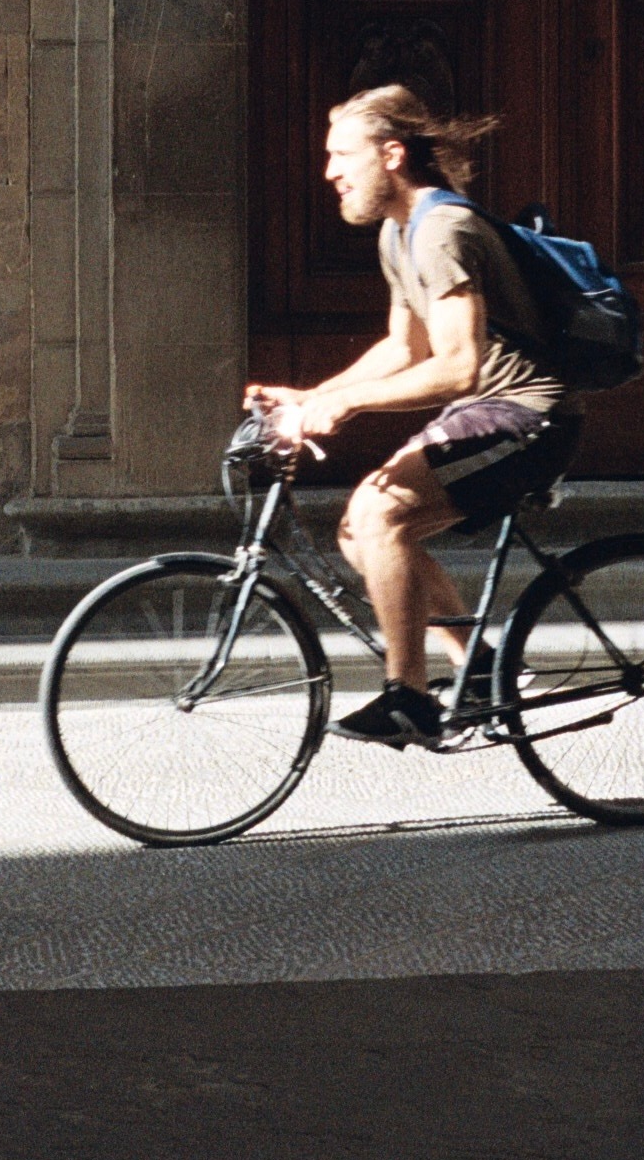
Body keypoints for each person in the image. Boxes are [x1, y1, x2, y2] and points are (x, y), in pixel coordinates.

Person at [244, 86, 579, 747]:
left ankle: (410, 698)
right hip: (491, 408)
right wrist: (313, 396)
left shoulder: (445, 229)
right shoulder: (402, 232)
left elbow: (458, 366)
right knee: (358, 531)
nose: (330, 171)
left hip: (528, 414)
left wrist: (347, 402)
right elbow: (404, 347)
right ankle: (478, 669)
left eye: (343, 154)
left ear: (391, 154)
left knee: (378, 515)